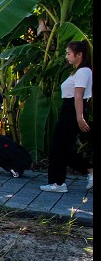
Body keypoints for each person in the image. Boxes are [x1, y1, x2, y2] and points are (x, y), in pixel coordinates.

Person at [40, 40, 93, 194]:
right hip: (70, 109)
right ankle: (89, 170)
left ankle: (58, 183)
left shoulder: (83, 71)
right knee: (62, 148)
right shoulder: (77, 71)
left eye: (69, 54)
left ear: (79, 55)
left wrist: (79, 117)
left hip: (73, 110)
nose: (67, 57)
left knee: (58, 147)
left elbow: (78, 96)